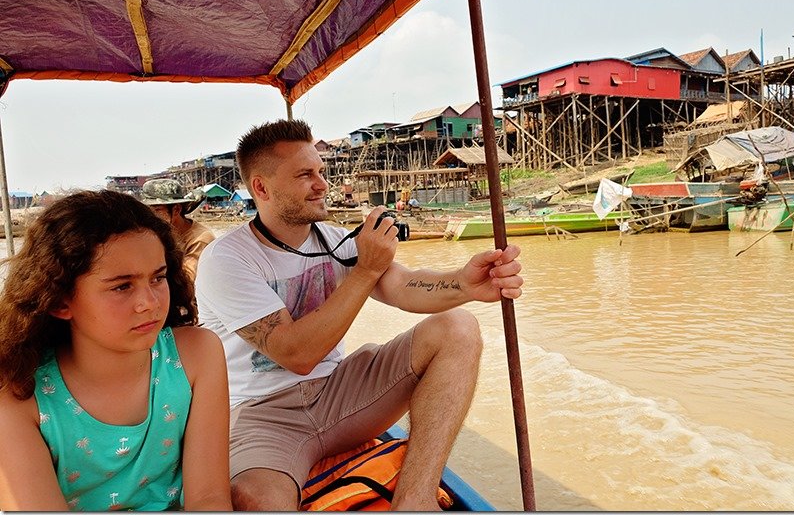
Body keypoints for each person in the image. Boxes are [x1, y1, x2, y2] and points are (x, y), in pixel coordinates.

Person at [195, 119, 524, 511]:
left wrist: (464, 284)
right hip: (262, 415)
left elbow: (402, 286)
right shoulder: (228, 258)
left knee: (458, 326)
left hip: (338, 394)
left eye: (321, 171)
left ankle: (415, 499)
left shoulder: (336, 240)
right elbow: (296, 355)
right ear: (262, 188)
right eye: (305, 175)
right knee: (257, 500)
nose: (322, 184)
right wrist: (365, 270)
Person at [0, 190, 232, 511]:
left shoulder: (197, 356)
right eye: (122, 286)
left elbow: (208, 499)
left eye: (158, 278)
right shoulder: (19, 394)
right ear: (59, 300)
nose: (149, 303)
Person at [141, 178, 215, 282]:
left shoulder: (200, 239)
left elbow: (186, 280)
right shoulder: (158, 233)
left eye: (157, 210)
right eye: (149, 210)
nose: (152, 216)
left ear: (176, 210)